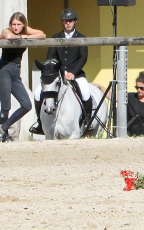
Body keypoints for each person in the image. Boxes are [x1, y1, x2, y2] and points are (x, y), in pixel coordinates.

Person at [30, 8, 97, 136]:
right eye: (65, 21)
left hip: (75, 74)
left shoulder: (81, 38)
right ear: (62, 22)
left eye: (70, 21)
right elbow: (51, 56)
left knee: (85, 90)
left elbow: (83, 57)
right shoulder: (56, 37)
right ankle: (39, 122)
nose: (68, 23)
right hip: (58, 74)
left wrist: (73, 72)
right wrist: (56, 71)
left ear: (75, 21)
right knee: (38, 92)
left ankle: (87, 119)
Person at [0, 13, 43, 141]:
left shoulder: (25, 31)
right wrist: (21, 36)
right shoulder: (8, 31)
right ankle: (3, 135)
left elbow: (42, 35)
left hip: (16, 72)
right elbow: (9, 36)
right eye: (14, 24)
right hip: (3, 70)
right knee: (6, 105)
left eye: (18, 24)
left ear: (23, 25)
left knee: (27, 104)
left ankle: (4, 127)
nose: (16, 27)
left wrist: (26, 35)